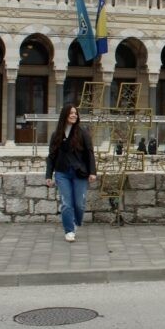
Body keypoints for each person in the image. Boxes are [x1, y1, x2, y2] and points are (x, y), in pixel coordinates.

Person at [45, 103, 97, 243]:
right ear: (65, 115)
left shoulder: (83, 133)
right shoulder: (56, 135)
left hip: (79, 173)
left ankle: (75, 222)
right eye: (71, 113)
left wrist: (92, 172)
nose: (74, 115)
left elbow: (90, 153)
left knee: (79, 204)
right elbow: (51, 156)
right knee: (66, 203)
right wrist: (48, 175)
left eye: (75, 113)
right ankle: (69, 230)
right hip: (62, 173)